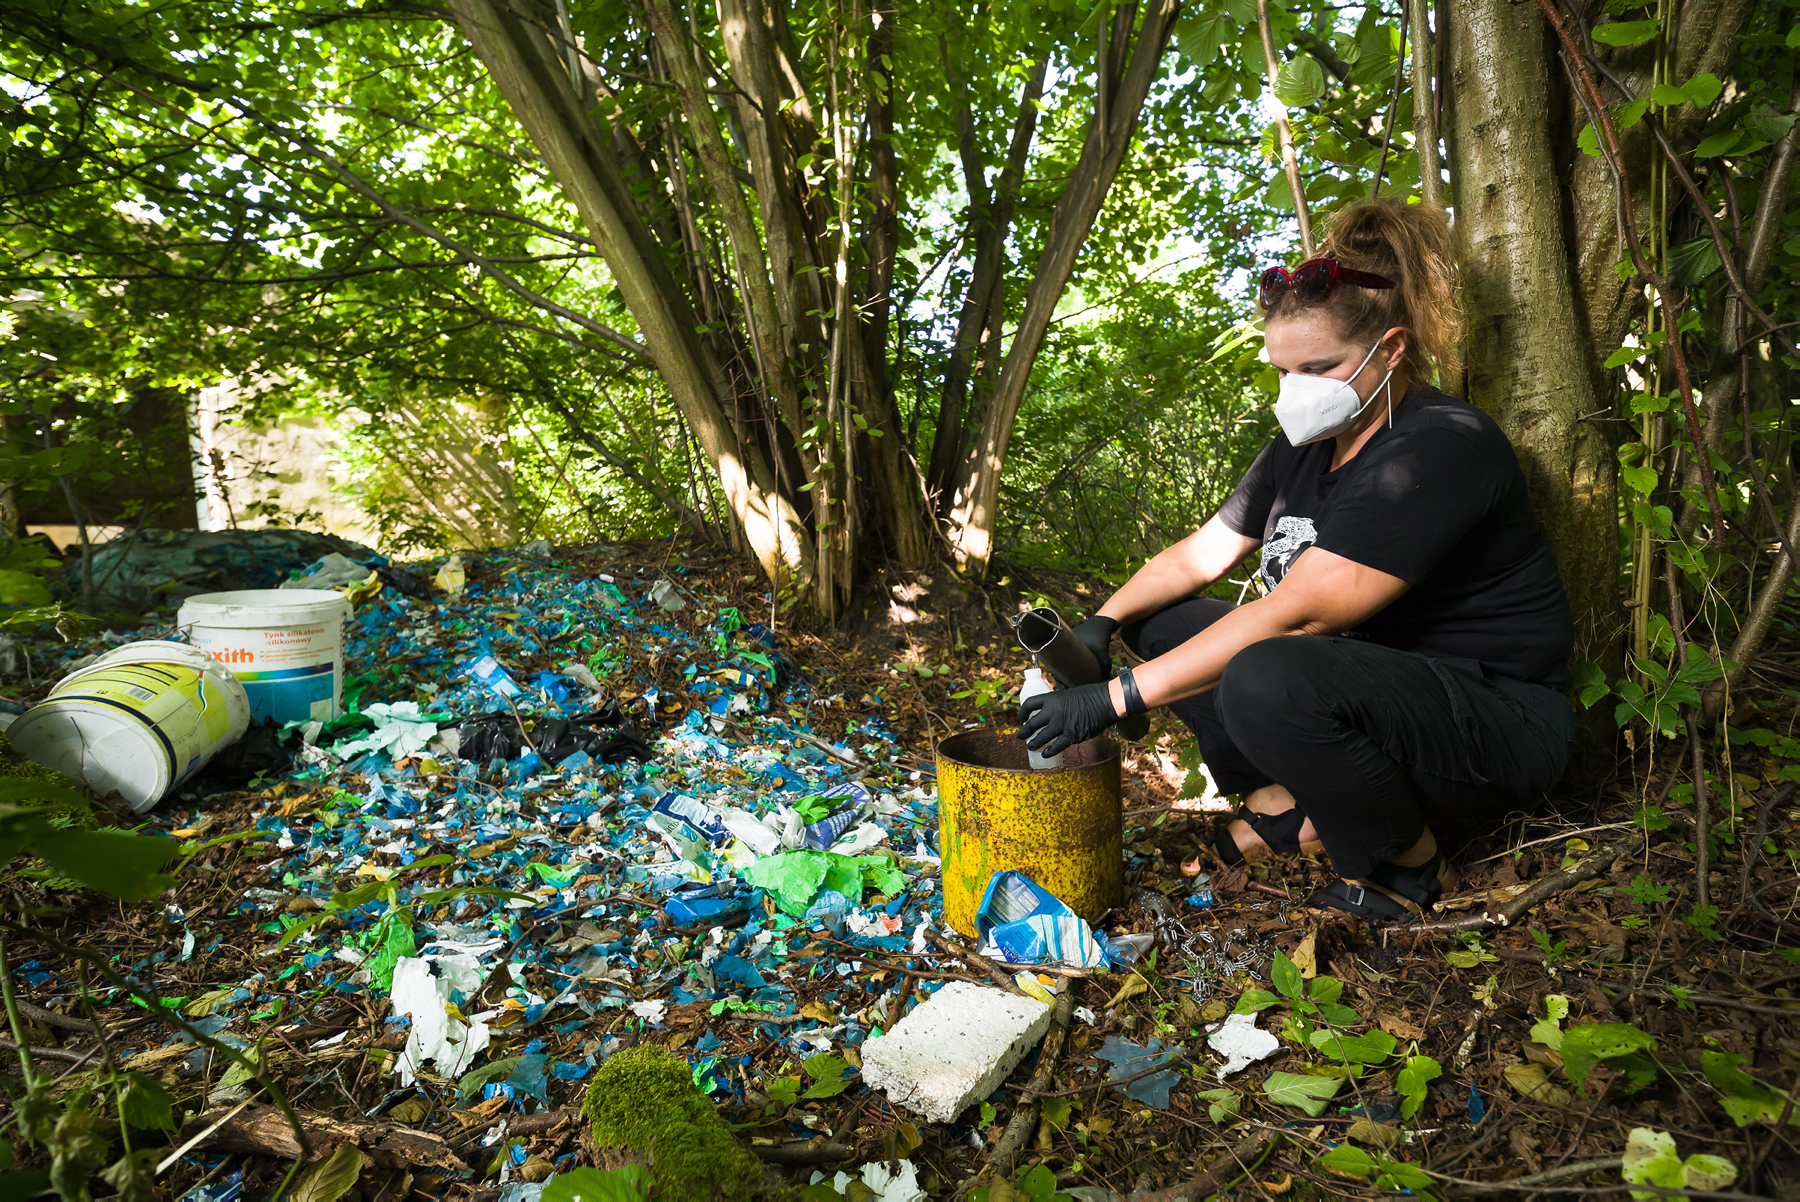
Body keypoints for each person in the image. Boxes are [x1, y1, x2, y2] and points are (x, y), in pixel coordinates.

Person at [1016, 199, 1575, 920]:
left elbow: (1302, 609)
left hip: (1493, 723)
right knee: (1168, 624)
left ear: (1392, 350)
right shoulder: (1305, 444)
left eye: (1318, 367)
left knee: (1266, 668)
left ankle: (1405, 867)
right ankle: (1283, 807)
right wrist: (1105, 621)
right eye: (1283, 371)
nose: (1297, 390)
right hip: (1372, 699)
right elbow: (1203, 552)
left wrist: (1116, 698)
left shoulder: (1442, 446)